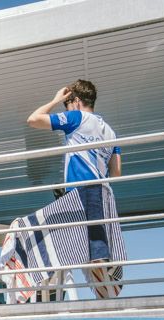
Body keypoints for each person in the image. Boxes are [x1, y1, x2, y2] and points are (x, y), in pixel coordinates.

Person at [26, 79, 122, 266]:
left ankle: (96, 267)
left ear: (76, 101)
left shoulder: (76, 117)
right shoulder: (111, 132)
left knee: (77, 242)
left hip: (80, 189)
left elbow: (33, 119)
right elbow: (116, 172)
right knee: (93, 240)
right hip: (102, 191)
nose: (67, 108)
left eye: (67, 104)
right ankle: (101, 268)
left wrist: (55, 100)